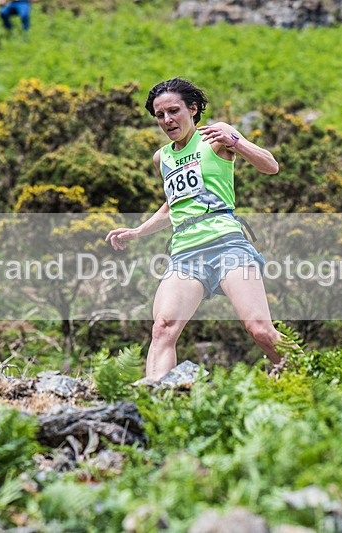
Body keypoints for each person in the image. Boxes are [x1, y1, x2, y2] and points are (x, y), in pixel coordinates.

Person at [105, 77, 285, 381]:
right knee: (163, 328)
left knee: (259, 329)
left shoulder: (217, 135)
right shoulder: (162, 158)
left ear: (193, 108)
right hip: (185, 253)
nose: (167, 120)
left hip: (227, 245)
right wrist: (137, 231)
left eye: (174, 111)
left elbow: (271, 165)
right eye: (160, 115)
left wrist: (236, 143)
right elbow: (172, 206)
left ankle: (311, 375)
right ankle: (156, 401)